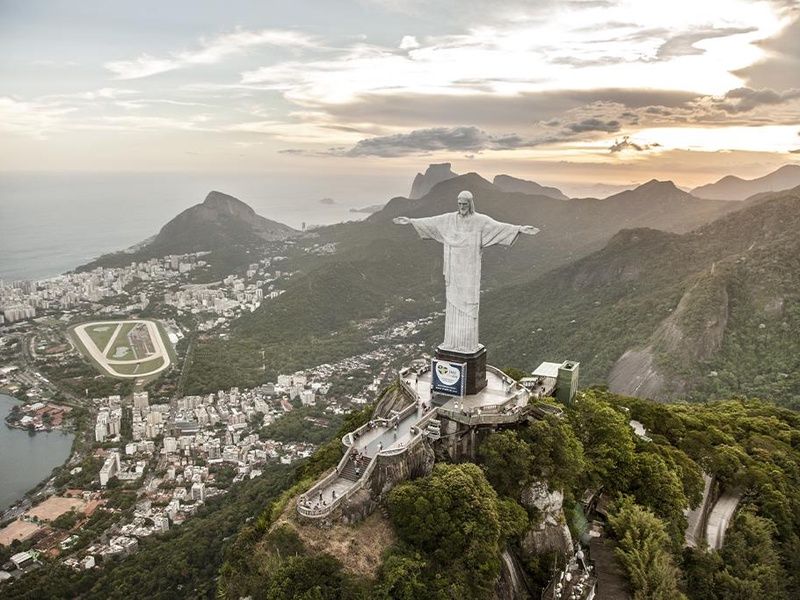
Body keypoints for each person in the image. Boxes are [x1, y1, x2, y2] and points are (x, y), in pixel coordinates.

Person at [394, 191, 539, 352]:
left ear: (470, 204)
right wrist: (411, 221)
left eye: (465, 204)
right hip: (453, 271)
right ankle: (451, 343)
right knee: (452, 304)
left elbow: (499, 227)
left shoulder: (480, 221)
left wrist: (519, 229)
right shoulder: (449, 219)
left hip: (469, 272)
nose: (462, 207)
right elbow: (432, 222)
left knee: (469, 305)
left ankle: (467, 344)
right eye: (459, 204)